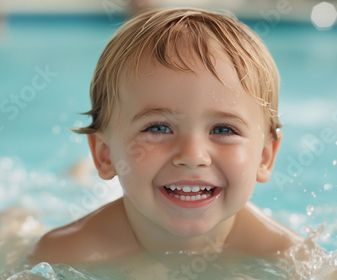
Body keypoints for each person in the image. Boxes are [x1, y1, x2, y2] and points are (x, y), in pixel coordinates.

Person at [28, 7, 304, 269]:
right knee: (16, 229)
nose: (193, 155)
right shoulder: (63, 255)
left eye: (223, 130)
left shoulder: (292, 258)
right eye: (158, 128)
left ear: (265, 156)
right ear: (105, 154)